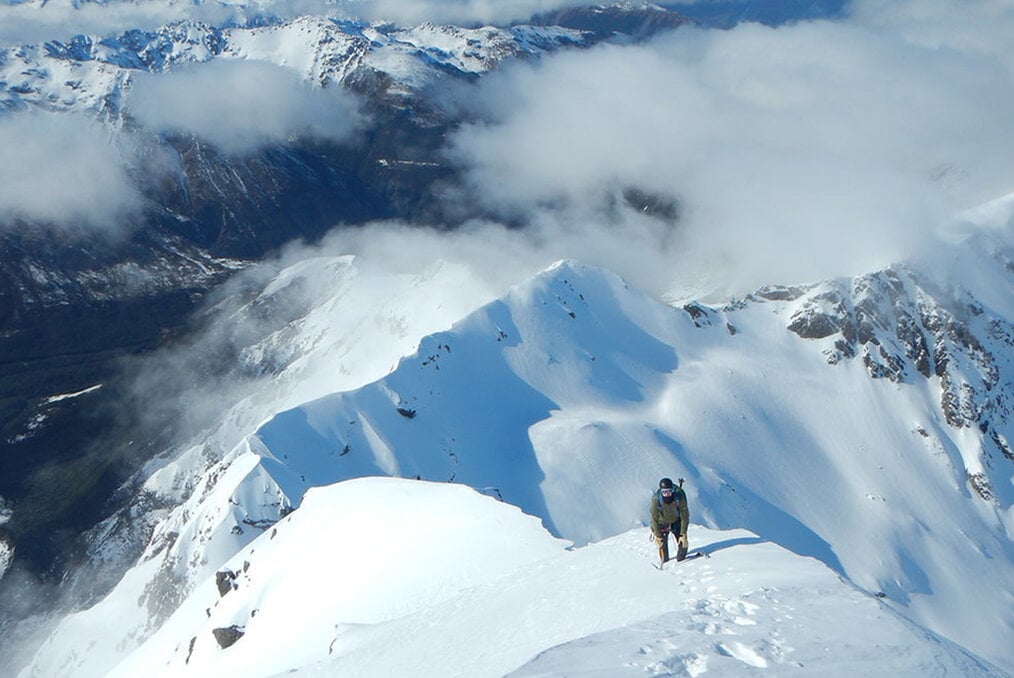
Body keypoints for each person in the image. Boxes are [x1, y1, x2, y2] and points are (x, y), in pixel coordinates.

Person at [649, 477, 689, 563]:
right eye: (664, 492)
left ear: (672, 491)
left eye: (669, 491)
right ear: (661, 491)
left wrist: (683, 534)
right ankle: (665, 560)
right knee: (664, 557)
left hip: (676, 521)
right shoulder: (656, 500)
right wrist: (658, 536)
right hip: (662, 523)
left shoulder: (679, 497)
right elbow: (654, 519)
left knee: (683, 545)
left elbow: (684, 516)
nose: (667, 494)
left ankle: (682, 562)